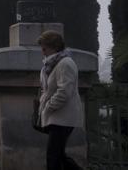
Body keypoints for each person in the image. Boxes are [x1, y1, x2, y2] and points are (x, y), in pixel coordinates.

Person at [37, 30, 84, 170]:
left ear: (54, 46)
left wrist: (48, 107)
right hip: (56, 116)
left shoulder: (65, 63)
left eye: (45, 46)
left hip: (63, 117)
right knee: (59, 155)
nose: (42, 50)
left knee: (53, 156)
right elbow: (47, 90)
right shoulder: (48, 65)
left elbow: (64, 91)